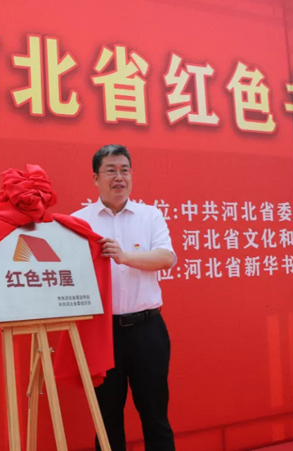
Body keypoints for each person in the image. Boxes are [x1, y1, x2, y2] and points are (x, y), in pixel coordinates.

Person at [73, 144, 177, 451]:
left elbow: (166, 258)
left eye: (124, 170)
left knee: (155, 415)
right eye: (111, 170)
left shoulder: (150, 215)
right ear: (96, 178)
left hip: (148, 330)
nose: (119, 177)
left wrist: (124, 257)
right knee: (106, 420)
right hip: (101, 332)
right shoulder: (79, 221)